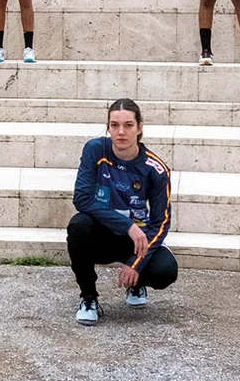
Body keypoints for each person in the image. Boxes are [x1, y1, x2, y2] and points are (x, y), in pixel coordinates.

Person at [66, 99, 177, 326]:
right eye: (114, 125)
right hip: (103, 236)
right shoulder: (95, 150)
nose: (121, 132)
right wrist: (127, 225)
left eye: (128, 125)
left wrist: (136, 262)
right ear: (108, 127)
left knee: (166, 270)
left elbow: (161, 222)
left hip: (136, 240)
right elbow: (82, 199)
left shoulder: (155, 169)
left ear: (139, 127)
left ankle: (136, 283)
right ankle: (89, 299)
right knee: (78, 226)